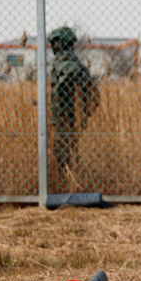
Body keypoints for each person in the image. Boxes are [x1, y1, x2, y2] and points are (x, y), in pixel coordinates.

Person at [47, 25, 98, 173]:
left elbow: (62, 91)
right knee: (69, 152)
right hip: (72, 118)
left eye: (54, 43)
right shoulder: (75, 64)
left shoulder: (66, 66)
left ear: (61, 44)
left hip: (66, 119)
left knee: (62, 153)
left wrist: (62, 114)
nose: (53, 47)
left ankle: (69, 182)